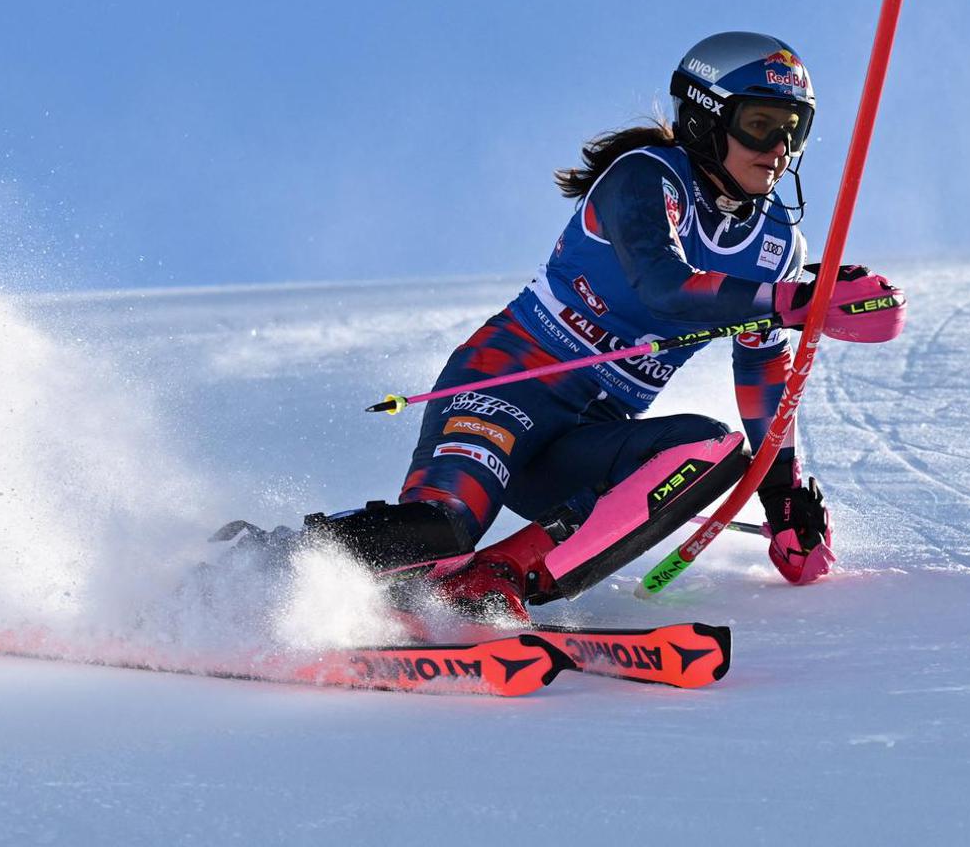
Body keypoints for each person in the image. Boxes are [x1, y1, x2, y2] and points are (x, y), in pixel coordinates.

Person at [227, 32, 904, 620]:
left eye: (795, 129)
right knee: (441, 530)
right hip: (508, 384)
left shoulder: (775, 247)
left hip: (585, 435)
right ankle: (254, 569)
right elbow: (663, 287)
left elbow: (759, 369)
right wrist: (795, 301)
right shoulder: (643, 178)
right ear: (704, 118)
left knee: (712, 448)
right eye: (761, 123)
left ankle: (498, 582)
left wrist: (783, 497)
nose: (779, 147)